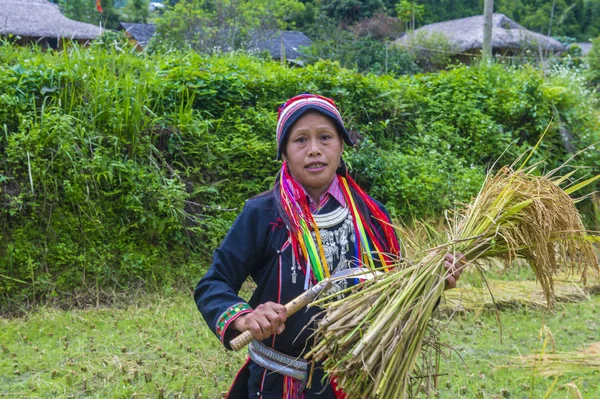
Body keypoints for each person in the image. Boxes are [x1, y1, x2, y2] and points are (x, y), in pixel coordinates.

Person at [194, 93, 465, 399]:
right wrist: (245, 317)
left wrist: (430, 282)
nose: (314, 150)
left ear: (340, 145)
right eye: (300, 140)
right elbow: (213, 283)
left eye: (325, 137)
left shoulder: (372, 216)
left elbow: (396, 298)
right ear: (284, 152)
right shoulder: (264, 214)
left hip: (358, 381)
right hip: (280, 384)